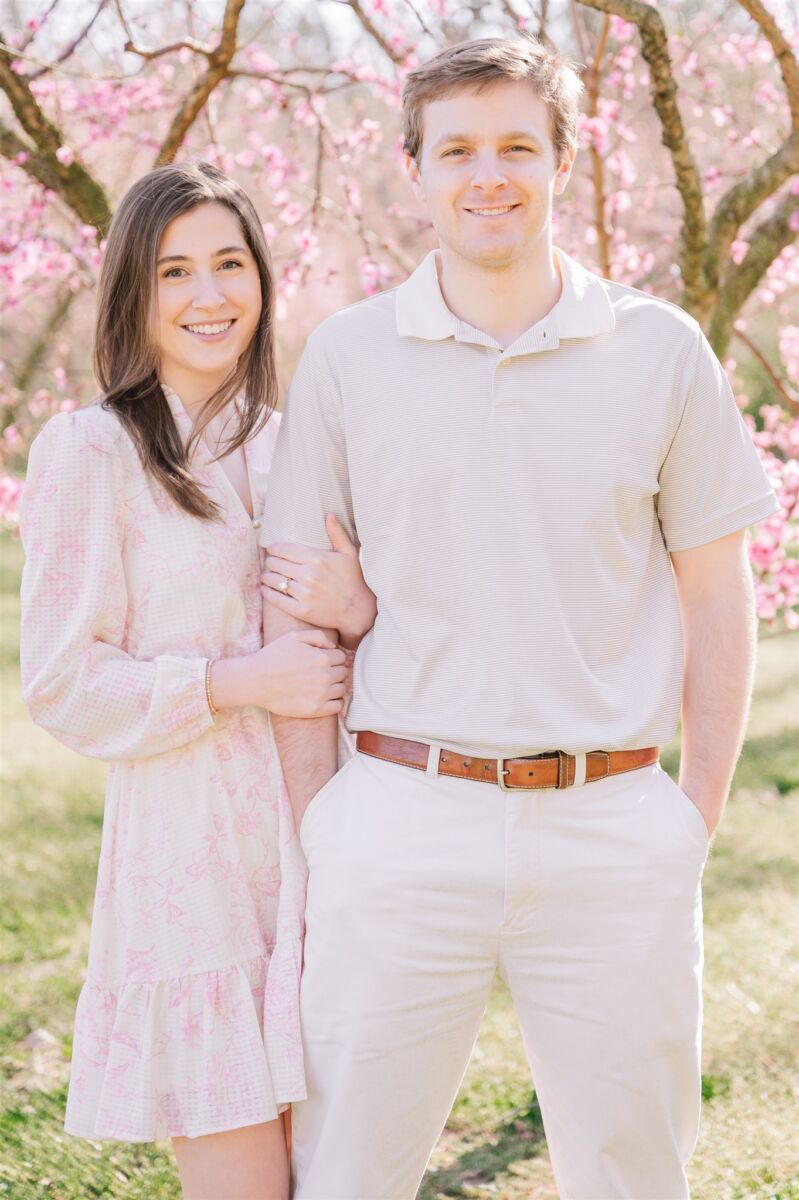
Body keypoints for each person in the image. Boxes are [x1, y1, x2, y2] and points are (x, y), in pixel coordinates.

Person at [260, 36, 778, 1200]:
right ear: (414, 170)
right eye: (456, 151)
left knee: (636, 1175)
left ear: (562, 157)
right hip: (398, 819)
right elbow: (295, 610)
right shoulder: (346, 359)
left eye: (514, 147)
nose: (486, 175)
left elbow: (713, 589)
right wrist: (322, 824)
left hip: (611, 827)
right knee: (347, 1174)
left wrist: (687, 816)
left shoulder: (658, 351)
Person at [19, 162, 374, 1200]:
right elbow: (64, 682)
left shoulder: (304, 446)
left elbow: (393, 654)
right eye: (175, 272)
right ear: (133, 292)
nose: (209, 296)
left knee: (353, 1174)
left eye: (229, 264)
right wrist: (237, 682)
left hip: (335, 847)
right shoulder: (92, 451)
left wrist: (359, 612)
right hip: (194, 871)